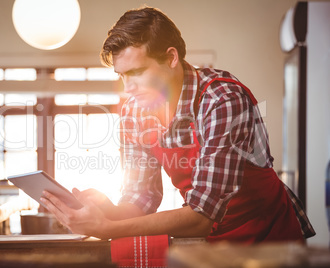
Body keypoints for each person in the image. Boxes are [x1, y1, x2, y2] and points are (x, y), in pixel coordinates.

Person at [41, 6, 315, 243]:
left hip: (271, 238)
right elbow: (141, 198)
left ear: (171, 58)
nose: (129, 88)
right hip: (214, 242)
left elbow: (201, 215)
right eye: (122, 76)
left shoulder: (222, 100)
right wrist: (106, 210)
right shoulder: (134, 113)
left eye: (137, 72)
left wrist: (109, 228)